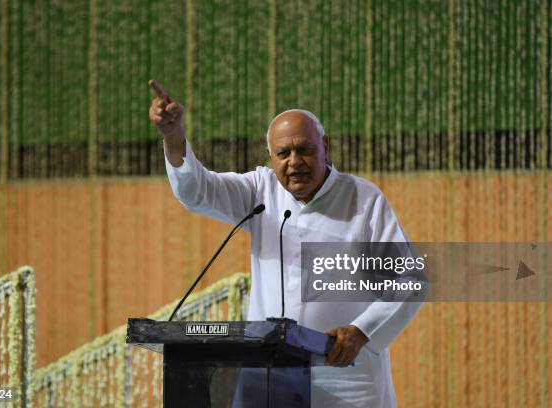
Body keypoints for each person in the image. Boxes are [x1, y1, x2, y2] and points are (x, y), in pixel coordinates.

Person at [148, 79, 423, 407]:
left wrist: (362, 331)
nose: (294, 161)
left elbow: (411, 280)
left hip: (345, 376)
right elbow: (197, 191)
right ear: (270, 157)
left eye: (304, 149)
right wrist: (174, 136)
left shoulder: (363, 199)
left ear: (326, 147)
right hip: (269, 375)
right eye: (283, 153)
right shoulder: (259, 191)